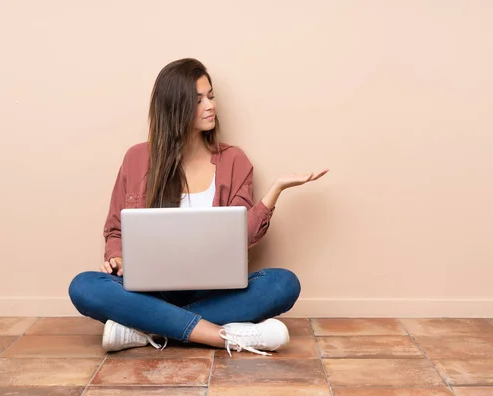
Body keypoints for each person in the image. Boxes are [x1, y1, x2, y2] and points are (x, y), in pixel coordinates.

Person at [68, 58, 328, 356]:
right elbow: (116, 229)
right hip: (149, 289)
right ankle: (223, 335)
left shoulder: (234, 161)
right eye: (198, 100)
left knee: (283, 283)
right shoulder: (137, 158)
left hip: (212, 290)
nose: (210, 106)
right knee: (84, 286)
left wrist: (274, 192)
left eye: (211, 96)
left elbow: (241, 237)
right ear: (174, 106)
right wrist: (115, 258)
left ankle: (145, 328)